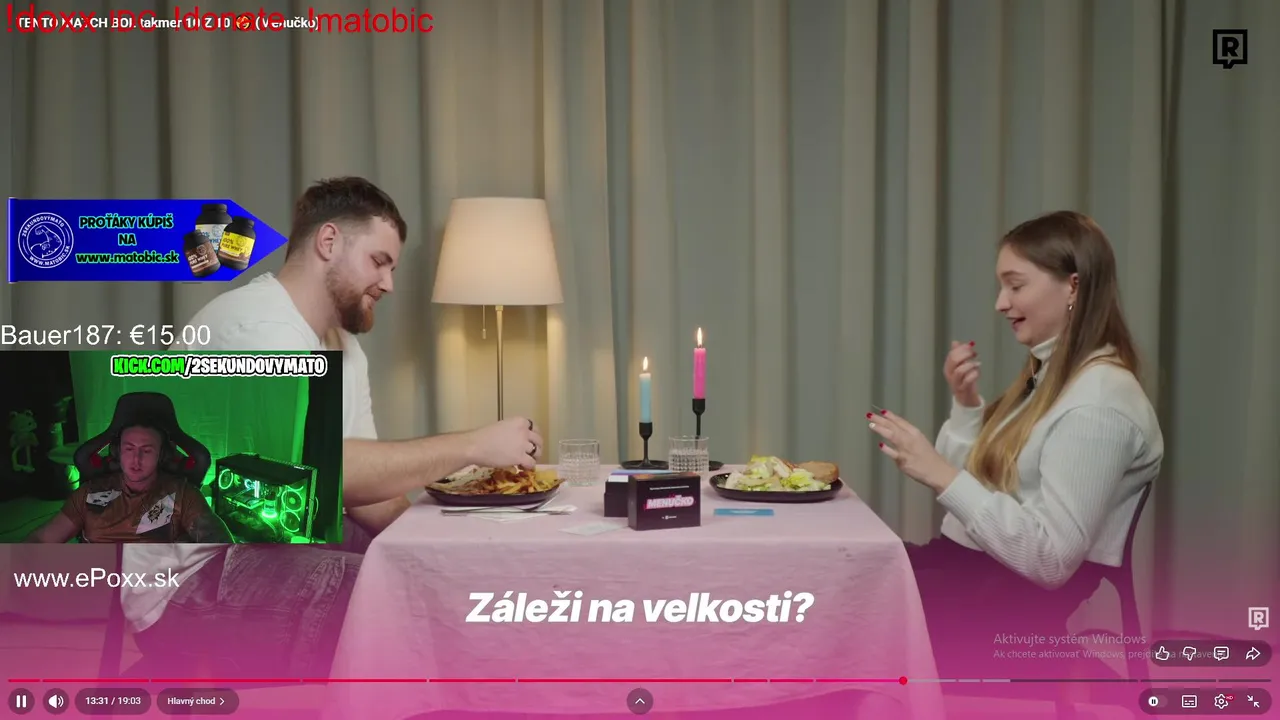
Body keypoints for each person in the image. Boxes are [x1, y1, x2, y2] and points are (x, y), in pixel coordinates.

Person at [121, 177, 544, 678]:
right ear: (328, 242)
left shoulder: (343, 347)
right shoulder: (259, 331)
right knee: (414, 606)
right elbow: (327, 473)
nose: (388, 284)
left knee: (445, 581)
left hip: (277, 542)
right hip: (189, 584)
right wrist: (472, 445)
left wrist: (444, 550)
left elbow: (364, 492)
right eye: (379, 261)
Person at [865, 210, 1163, 678]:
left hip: (1005, 598)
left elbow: (1050, 560)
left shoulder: (1098, 403)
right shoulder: (1054, 377)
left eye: (1015, 285)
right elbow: (987, 486)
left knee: (847, 608)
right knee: (844, 573)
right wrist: (967, 407)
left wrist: (941, 474)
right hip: (970, 567)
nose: (1000, 303)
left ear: (1073, 286)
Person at [25, 423, 232, 544]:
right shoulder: (91, 493)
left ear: (161, 455)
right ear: (118, 452)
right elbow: (42, 540)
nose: (136, 459)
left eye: (147, 450)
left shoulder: (183, 494)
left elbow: (220, 546)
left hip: (154, 589)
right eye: (129, 448)